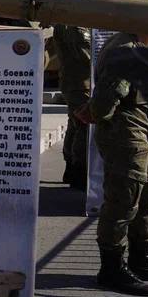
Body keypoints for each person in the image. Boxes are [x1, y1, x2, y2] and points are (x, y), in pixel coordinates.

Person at [88, 31, 148, 296]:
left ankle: (141, 259)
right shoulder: (126, 49)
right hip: (124, 134)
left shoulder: (132, 44)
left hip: (137, 132)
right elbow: (105, 102)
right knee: (123, 201)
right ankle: (111, 269)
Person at [52, 24, 91, 189]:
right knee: (84, 125)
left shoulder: (68, 22)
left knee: (75, 124)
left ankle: (71, 168)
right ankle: (79, 170)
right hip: (80, 83)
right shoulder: (75, 25)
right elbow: (86, 54)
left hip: (76, 81)